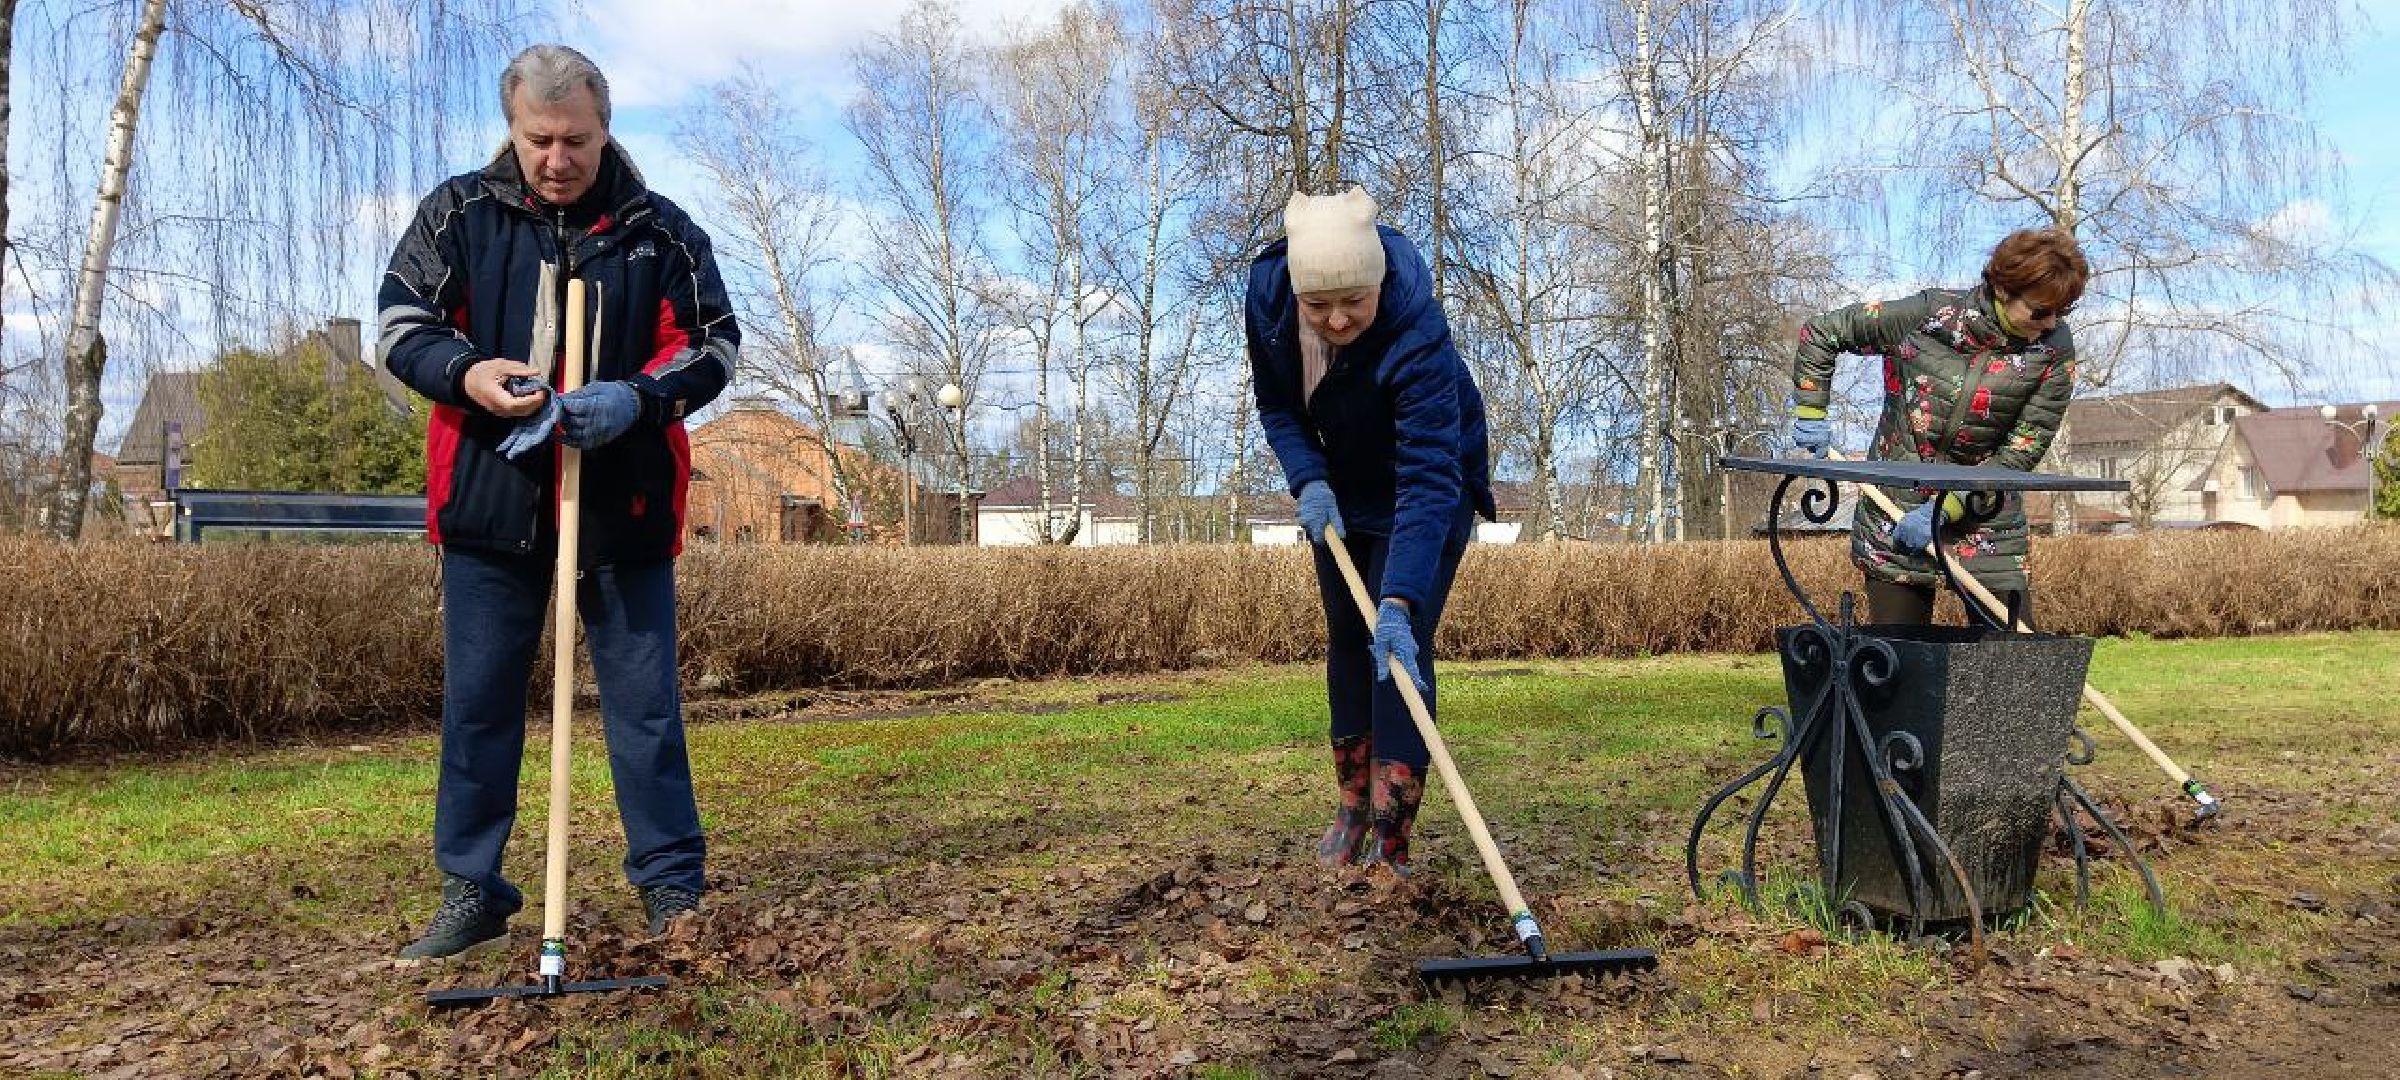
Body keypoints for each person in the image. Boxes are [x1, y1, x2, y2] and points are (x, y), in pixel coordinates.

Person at [378, 44, 737, 958]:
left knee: (646, 707)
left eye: (576, 139)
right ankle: (472, 887)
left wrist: (637, 400)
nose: (558, 159)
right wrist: (470, 374)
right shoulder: (458, 215)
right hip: (489, 505)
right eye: (539, 140)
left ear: (604, 128)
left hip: (626, 511)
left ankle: (670, 886)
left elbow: (714, 346)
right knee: (480, 703)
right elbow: (401, 329)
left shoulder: (661, 233)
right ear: (514, 130)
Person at [1246, 186, 1496, 876]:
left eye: (1354, 301)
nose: (1335, 319)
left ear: (1379, 282)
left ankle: (1393, 833)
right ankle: (1353, 805)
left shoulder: (1418, 329)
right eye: (1317, 305)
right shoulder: (1268, 300)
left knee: (1395, 648)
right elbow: (1276, 403)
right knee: (1346, 642)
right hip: (1342, 484)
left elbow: (1428, 475)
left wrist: (1400, 602)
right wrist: (1308, 476)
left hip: (1428, 483)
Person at [1788, 227, 2087, 626]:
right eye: (2040, 311)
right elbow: (1822, 332)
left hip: (1986, 521)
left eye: (2062, 312)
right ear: (2002, 290)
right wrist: (1811, 413)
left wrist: (1946, 508)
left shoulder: (2053, 352)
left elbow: (2021, 450)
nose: (2051, 323)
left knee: (2015, 666)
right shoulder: (1930, 315)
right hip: (1895, 510)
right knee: (1898, 665)